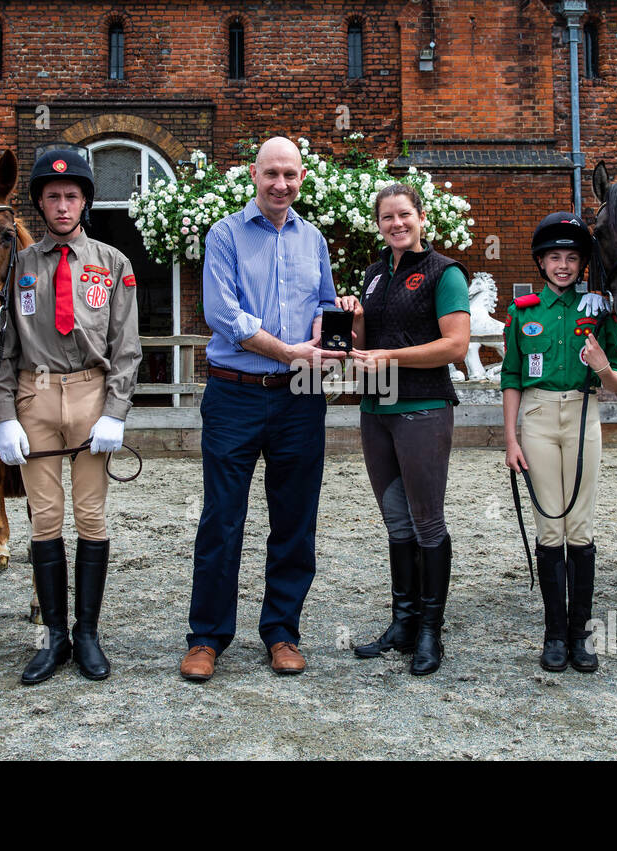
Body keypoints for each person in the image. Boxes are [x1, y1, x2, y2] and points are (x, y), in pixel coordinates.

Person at [180, 136, 342, 683]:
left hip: (300, 396)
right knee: (222, 518)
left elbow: (324, 299)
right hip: (235, 393)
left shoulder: (313, 238)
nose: (281, 184)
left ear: (301, 179)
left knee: (295, 520)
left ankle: (282, 632)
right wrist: (288, 350)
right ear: (253, 174)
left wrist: (324, 328)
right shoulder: (224, 234)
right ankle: (207, 637)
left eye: (290, 175)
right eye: (271, 173)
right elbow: (222, 313)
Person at [0, 148, 142, 685]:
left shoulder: (111, 262)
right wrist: (3, 414)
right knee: (45, 517)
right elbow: (4, 346)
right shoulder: (20, 266)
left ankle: (87, 634)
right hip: (35, 395)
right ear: (39, 203)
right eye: (52, 197)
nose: (61, 205)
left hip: (91, 395)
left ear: (84, 202)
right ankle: (53, 637)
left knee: (93, 516)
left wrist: (117, 411)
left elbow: (126, 346)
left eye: (71, 196)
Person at [345, 182, 470, 676]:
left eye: (404, 215)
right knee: (396, 522)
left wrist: (391, 356)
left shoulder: (446, 273)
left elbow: (456, 345)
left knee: (427, 522)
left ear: (421, 217)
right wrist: (354, 321)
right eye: (386, 218)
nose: (396, 224)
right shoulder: (375, 275)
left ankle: (430, 633)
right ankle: (402, 621)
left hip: (423, 406)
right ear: (378, 224)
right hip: (377, 411)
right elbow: (364, 343)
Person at [502, 213, 617, 673]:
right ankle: (554, 633)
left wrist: (600, 365)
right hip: (535, 416)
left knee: (581, 527)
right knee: (550, 526)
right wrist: (510, 437)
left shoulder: (597, 311)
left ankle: (581, 633)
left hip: (582, 414)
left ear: (583, 265)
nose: (563, 266)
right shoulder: (523, 312)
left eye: (572, 258)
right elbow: (511, 376)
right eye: (554, 257)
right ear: (540, 261)